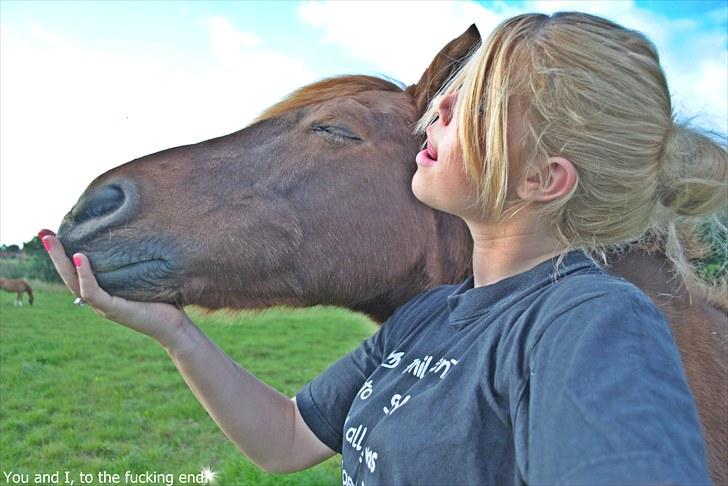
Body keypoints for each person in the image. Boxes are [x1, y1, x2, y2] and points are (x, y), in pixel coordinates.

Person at [43, 12, 723, 485]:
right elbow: (285, 439)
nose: (438, 113)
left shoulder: (593, 324)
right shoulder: (432, 318)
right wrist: (173, 333)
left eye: (478, 108)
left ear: (544, 178)